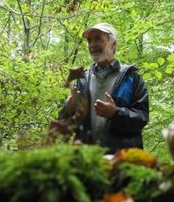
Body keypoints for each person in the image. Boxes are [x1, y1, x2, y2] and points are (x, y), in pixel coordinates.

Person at [63, 22, 149, 152]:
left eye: (98, 38)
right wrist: (68, 110)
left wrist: (115, 113)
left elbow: (142, 118)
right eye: (89, 41)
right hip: (87, 160)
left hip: (121, 161)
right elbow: (70, 127)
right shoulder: (82, 80)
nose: (92, 45)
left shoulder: (131, 77)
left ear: (113, 44)